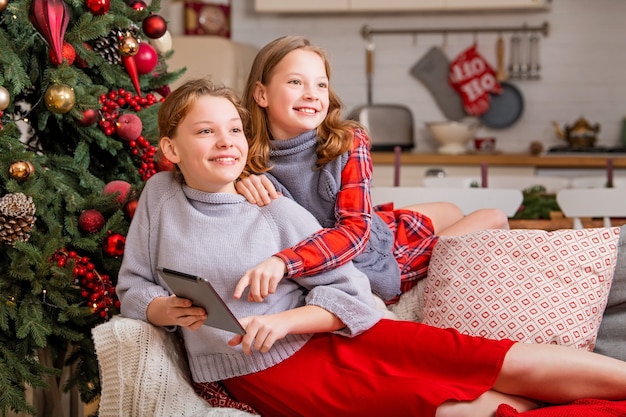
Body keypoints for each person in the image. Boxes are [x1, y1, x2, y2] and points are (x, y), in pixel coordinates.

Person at [116, 78, 626, 417]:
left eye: (234, 129)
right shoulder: (161, 196)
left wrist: (283, 321)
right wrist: (161, 308)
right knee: (451, 405)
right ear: (170, 149)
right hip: (272, 374)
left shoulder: (277, 211)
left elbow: (350, 294)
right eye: (206, 131)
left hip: (350, 335)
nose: (226, 141)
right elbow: (133, 286)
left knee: (478, 357)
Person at [234, 35, 509, 305]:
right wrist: (239, 178)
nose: (312, 94)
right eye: (295, 82)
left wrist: (284, 260)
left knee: (451, 210)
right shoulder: (239, 156)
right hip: (374, 265)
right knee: (493, 217)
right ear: (261, 94)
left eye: (321, 85)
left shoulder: (348, 140)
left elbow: (356, 229)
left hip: (368, 236)